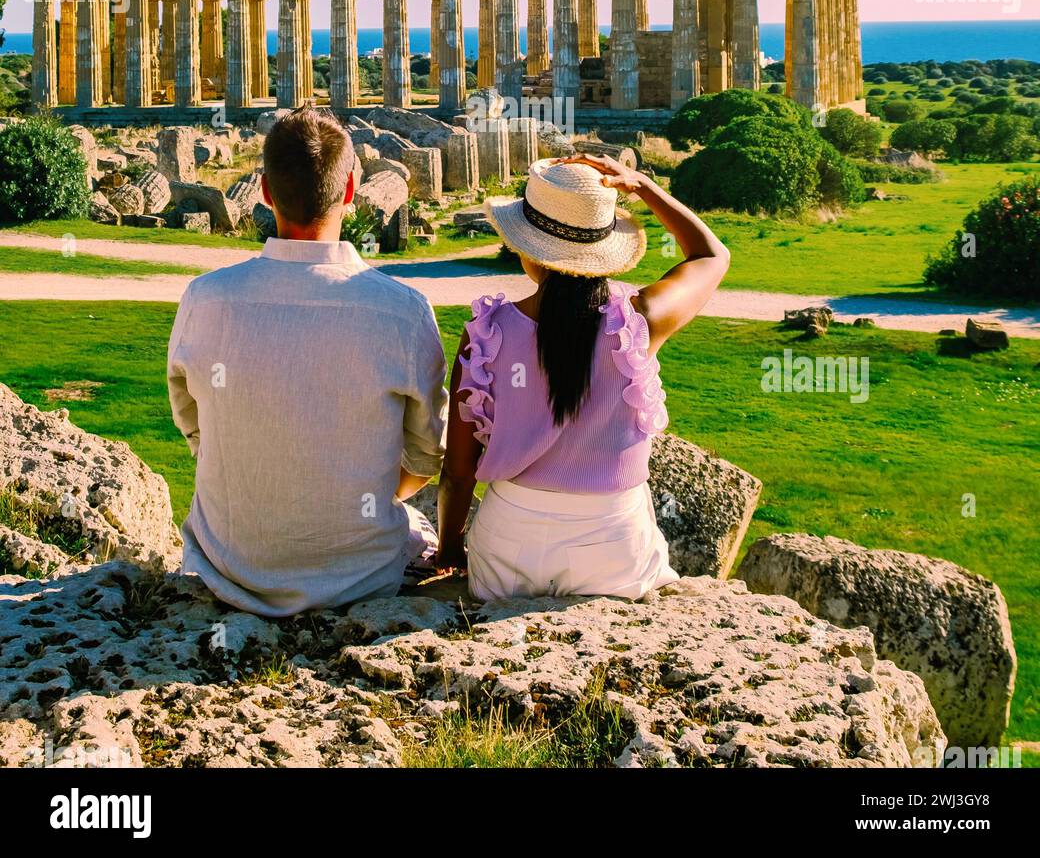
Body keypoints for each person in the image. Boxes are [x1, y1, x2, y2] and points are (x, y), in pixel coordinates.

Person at [167, 105, 447, 616]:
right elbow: (428, 455)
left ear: (265, 191)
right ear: (350, 190)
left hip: (228, 566)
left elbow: (197, 431)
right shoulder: (404, 312)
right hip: (364, 575)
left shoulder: (204, 300)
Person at [435, 154, 730, 600]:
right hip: (614, 545)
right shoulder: (639, 321)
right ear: (605, 246)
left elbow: (458, 473)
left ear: (527, 251)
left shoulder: (487, 333)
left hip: (509, 546)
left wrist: (451, 551)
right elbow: (711, 254)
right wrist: (642, 186)